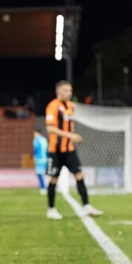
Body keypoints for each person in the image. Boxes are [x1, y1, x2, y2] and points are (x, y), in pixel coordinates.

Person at [45, 81, 103, 220]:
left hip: (69, 149)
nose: (69, 93)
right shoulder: (52, 106)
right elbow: (50, 128)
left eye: (70, 90)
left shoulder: (71, 106)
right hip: (55, 151)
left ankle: (87, 206)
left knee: (79, 175)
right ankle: (51, 209)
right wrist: (71, 135)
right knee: (54, 179)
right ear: (58, 92)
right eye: (66, 90)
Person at [33, 129, 48, 195]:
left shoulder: (36, 140)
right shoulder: (44, 140)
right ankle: (48, 187)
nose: (34, 135)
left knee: (39, 174)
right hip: (46, 159)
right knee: (47, 174)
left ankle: (43, 188)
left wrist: (32, 155)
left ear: (37, 133)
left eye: (34, 133)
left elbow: (36, 150)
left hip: (39, 160)